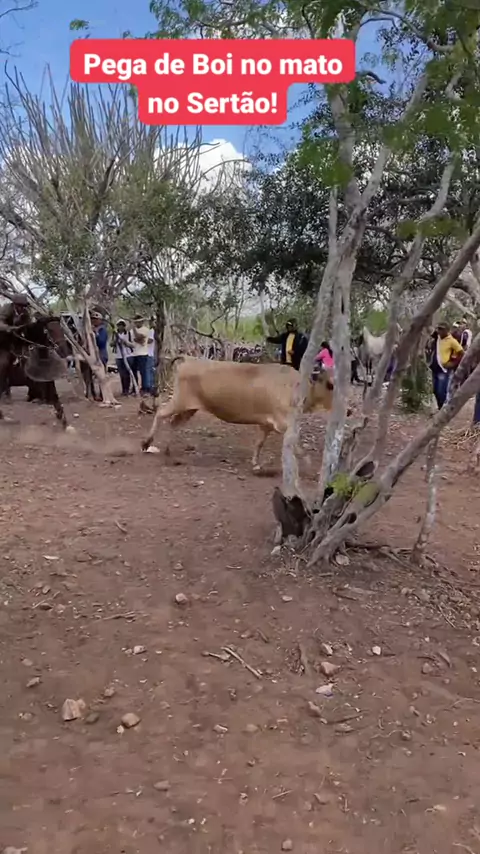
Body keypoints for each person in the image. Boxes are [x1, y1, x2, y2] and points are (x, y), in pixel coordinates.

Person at [428, 321, 464, 409]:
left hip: (443, 369)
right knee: (435, 390)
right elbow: (430, 332)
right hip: (434, 368)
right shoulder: (437, 338)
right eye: (438, 329)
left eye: (441, 329)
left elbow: (461, 352)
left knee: (441, 390)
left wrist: (453, 363)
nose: (439, 331)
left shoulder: (451, 341)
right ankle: (440, 407)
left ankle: (443, 407)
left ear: (447, 330)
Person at [113, 319, 134, 396]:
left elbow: (133, 345)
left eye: (122, 325)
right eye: (119, 325)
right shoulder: (115, 334)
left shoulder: (129, 334)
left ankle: (127, 389)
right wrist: (115, 341)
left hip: (128, 355)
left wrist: (126, 343)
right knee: (122, 374)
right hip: (119, 356)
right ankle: (123, 389)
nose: (120, 327)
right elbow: (111, 344)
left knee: (127, 373)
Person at [130, 314, 150, 395]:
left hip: (142, 353)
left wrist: (134, 331)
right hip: (134, 354)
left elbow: (139, 339)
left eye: (139, 322)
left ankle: (144, 388)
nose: (137, 323)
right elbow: (134, 341)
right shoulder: (131, 331)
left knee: (143, 372)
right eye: (136, 322)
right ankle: (135, 388)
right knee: (134, 372)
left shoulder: (145, 330)